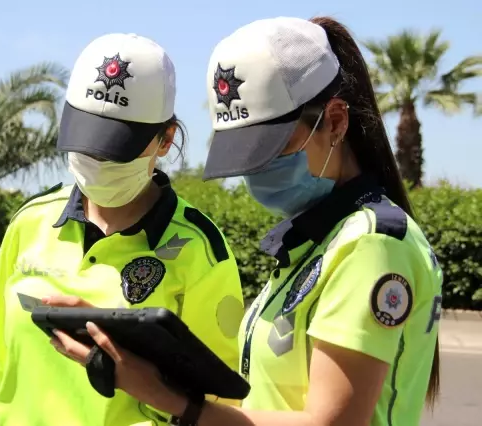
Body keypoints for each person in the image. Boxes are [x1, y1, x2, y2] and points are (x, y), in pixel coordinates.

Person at [51, 16, 444, 426]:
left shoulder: (370, 245)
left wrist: (167, 397)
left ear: (336, 121)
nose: (257, 172)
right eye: (248, 156)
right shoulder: (318, 244)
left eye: (273, 149)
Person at [0, 32, 245, 426]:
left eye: (116, 145)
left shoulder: (200, 251)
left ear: (165, 140)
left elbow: (217, 404)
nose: (97, 159)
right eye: (86, 140)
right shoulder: (29, 222)